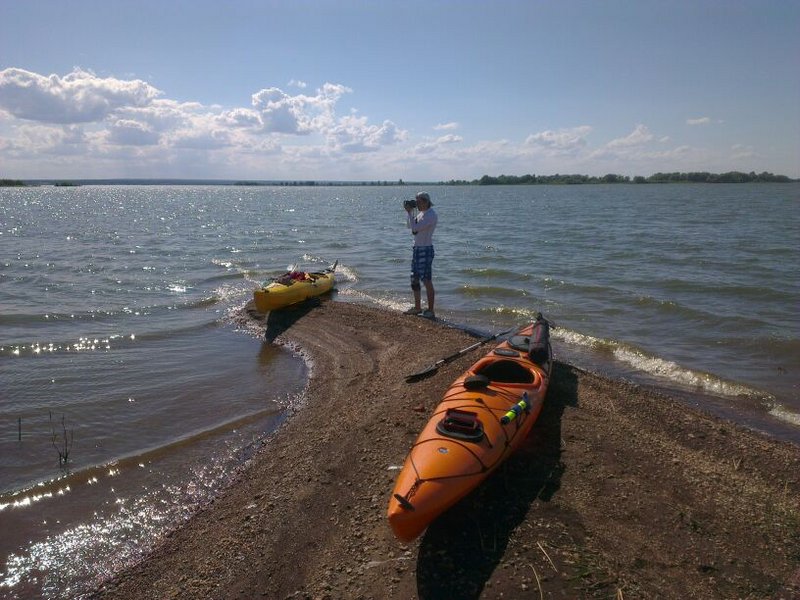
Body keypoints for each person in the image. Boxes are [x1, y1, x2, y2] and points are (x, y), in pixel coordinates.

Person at [404, 191, 438, 318]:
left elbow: (415, 229)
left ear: (425, 201)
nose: (416, 203)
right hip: (417, 249)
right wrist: (410, 213)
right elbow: (409, 226)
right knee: (414, 279)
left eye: (418, 201)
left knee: (426, 280)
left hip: (425, 249)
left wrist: (409, 212)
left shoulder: (431, 215)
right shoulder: (421, 214)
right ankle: (417, 307)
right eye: (416, 201)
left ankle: (430, 310)